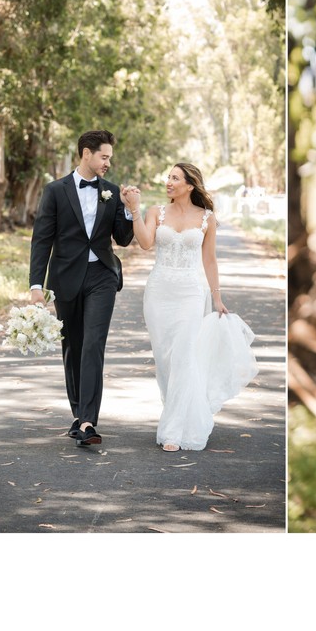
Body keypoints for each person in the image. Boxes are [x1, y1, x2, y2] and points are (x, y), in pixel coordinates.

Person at [122, 163, 257, 451]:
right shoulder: (155, 212)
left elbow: (210, 261)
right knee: (166, 359)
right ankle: (179, 411)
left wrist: (217, 298)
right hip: (159, 292)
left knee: (184, 355)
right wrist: (135, 209)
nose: (168, 182)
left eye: (175, 178)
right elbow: (145, 243)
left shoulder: (207, 218)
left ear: (190, 185)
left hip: (190, 294)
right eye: (168, 176)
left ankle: (174, 430)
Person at [29, 129, 134, 446]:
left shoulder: (112, 192)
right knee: (73, 345)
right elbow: (42, 239)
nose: (107, 163)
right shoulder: (55, 191)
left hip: (101, 275)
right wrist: (37, 285)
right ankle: (79, 413)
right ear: (86, 154)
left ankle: (88, 422)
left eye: (110, 158)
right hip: (65, 279)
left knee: (92, 344)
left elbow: (124, 239)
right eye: (104, 157)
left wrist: (128, 210)